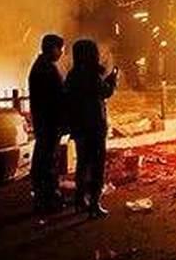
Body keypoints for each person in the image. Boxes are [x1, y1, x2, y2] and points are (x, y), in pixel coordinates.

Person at [65, 39, 117, 218]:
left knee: (82, 164)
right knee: (97, 166)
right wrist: (111, 81)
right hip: (94, 127)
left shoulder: (72, 75)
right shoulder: (91, 75)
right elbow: (104, 92)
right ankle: (94, 204)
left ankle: (80, 201)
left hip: (80, 128)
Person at [28, 34, 66, 213]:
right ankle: (49, 198)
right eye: (60, 49)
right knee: (49, 159)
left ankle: (42, 195)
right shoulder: (47, 69)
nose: (61, 53)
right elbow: (58, 96)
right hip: (49, 122)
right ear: (53, 48)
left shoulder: (40, 66)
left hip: (43, 121)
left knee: (43, 157)